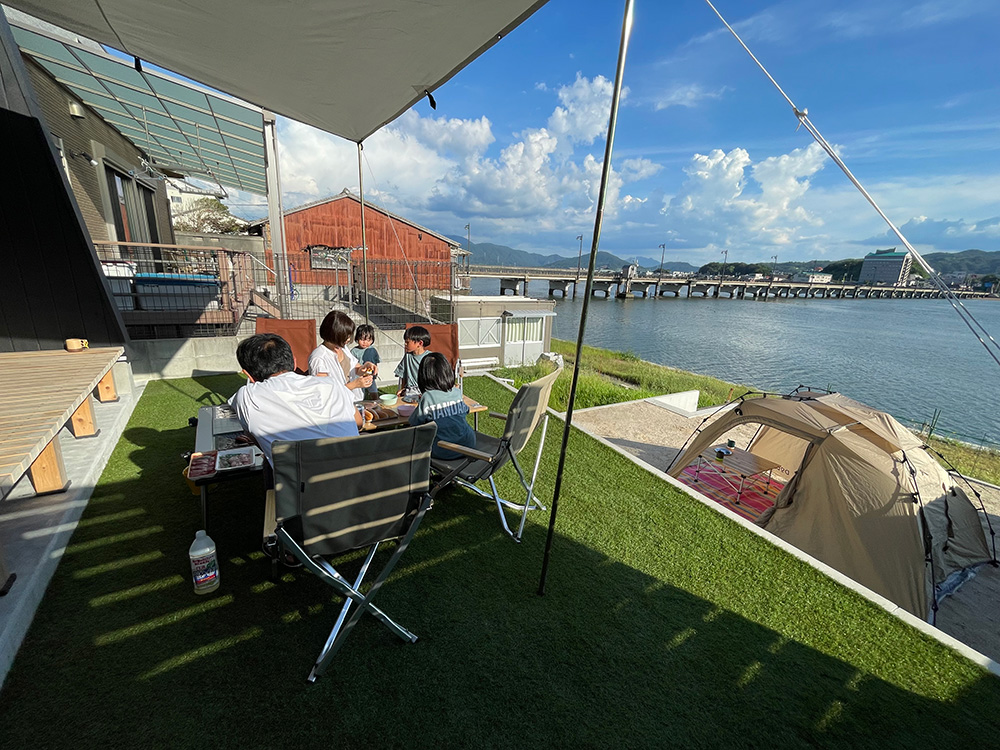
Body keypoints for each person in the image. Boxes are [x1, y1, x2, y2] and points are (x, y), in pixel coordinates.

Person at [229, 333, 362, 464]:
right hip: (358, 472)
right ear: (294, 362)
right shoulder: (333, 384)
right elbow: (358, 422)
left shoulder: (247, 396)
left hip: (301, 476)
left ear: (248, 375)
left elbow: (255, 437)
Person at [408, 351, 475, 459]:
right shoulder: (457, 392)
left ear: (423, 377)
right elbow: (466, 410)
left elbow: (414, 422)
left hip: (443, 450)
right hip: (468, 445)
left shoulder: (428, 397)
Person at [309, 310, 373, 401]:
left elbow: (355, 367)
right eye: (346, 335)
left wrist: (365, 368)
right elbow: (325, 393)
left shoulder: (342, 348)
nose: (349, 339)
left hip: (353, 401)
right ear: (335, 334)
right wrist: (354, 385)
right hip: (337, 406)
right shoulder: (319, 358)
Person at [395, 325, 430, 399]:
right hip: (410, 391)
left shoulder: (430, 357)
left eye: (407, 342)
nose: (405, 344)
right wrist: (402, 389)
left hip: (425, 391)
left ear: (420, 343)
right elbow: (403, 374)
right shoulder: (407, 356)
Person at [350, 323, 381, 399]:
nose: (365, 342)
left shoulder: (372, 350)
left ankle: (375, 403)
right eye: (362, 339)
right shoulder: (354, 351)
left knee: (374, 391)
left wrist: (375, 372)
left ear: (372, 340)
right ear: (357, 338)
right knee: (359, 395)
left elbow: (375, 362)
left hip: (370, 376)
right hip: (359, 378)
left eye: (368, 340)